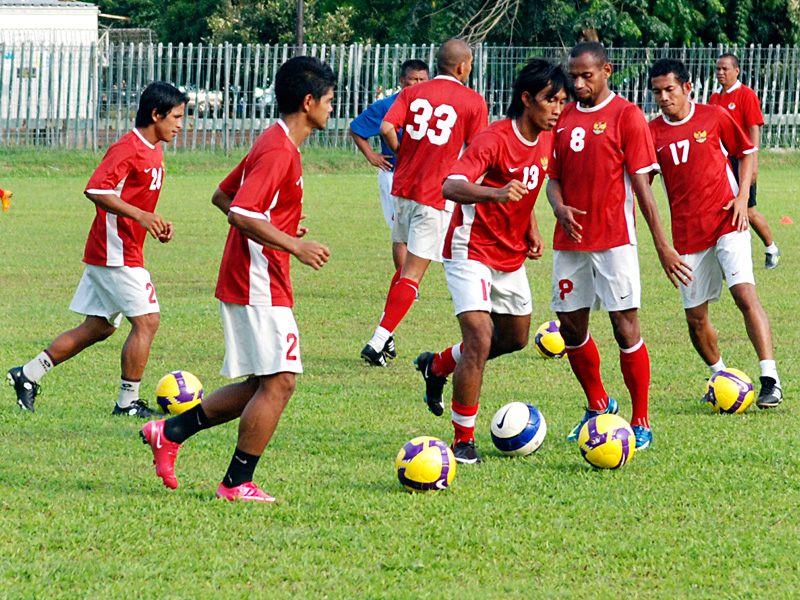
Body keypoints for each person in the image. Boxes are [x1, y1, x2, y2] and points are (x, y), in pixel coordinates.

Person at [140, 56, 334, 503]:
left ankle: (169, 432)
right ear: (307, 102)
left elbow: (224, 195)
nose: (331, 108)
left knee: (259, 383)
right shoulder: (280, 149)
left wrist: (279, 228)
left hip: (257, 276)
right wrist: (292, 244)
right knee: (281, 381)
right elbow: (242, 212)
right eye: (327, 100)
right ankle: (235, 484)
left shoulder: (276, 142)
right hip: (257, 279)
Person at [415, 60, 571, 464]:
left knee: (516, 338)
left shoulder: (547, 140)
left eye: (562, 101)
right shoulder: (494, 138)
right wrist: (496, 194)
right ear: (526, 99)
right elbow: (450, 185)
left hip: (510, 253)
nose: (558, 108)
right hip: (470, 248)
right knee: (479, 337)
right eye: (550, 100)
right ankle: (462, 442)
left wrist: (531, 227)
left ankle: (437, 366)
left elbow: (528, 187)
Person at [6, 82, 187, 416]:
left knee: (98, 327)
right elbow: (95, 189)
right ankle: (127, 403)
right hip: (114, 252)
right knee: (147, 321)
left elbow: (136, 200)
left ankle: (28, 374)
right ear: (155, 114)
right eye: (175, 117)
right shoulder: (128, 147)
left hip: (123, 248)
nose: (180, 125)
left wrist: (153, 224)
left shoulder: (155, 148)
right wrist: (141, 216)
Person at [545, 42, 692, 451]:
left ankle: (640, 418)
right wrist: (557, 208)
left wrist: (662, 245)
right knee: (570, 327)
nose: (577, 83)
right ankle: (597, 405)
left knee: (625, 328)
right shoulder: (563, 116)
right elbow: (552, 177)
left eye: (585, 76)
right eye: (572, 76)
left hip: (615, 241)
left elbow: (643, 187)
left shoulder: (627, 116)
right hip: (570, 242)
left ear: (606, 70)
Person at [648, 58, 783, 408]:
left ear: (687, 88)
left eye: (670, 90)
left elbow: (746, 152)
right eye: (657, 92)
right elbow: (642, 183)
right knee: (695, 319)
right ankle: (721, 376)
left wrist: (741, 197)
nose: (664, 97)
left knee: (744, 295)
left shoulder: (714, 116)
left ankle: (770, 378)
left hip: (727, 221)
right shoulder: (651, 133)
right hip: (687, 235)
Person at [360, 39, 489, 367]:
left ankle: (385, 335)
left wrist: (403, 154)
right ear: (462, 67)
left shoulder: (411, 93)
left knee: (406, 269)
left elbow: (388, 127)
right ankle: (377, 341)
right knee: (416, 274)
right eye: (470, 64)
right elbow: (479, 153)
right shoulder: (473, 101)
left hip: (402, 190)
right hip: (436, 196)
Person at [349, 59, 429, 268]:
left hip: (427, 176)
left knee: (429, 233)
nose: (417, 83)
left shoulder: (435, 106)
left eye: (423, 79)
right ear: (402, 80)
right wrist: (371, 156)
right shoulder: (386, 105)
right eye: (413, 79)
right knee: (401, 233)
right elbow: (356, 128)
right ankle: (405, 284)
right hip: (394, 175)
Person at [709, 53, 780, 270]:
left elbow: (754, 128)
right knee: (721, 208)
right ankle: (726, 259)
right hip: (722, 161)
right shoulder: (714, 98)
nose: (721, 73)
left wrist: (754, 161)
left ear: (736, 71)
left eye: (725, 69)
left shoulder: (746, 95)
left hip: (743, 160)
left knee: (747, 210)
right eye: (718, 69)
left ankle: (771, 248)